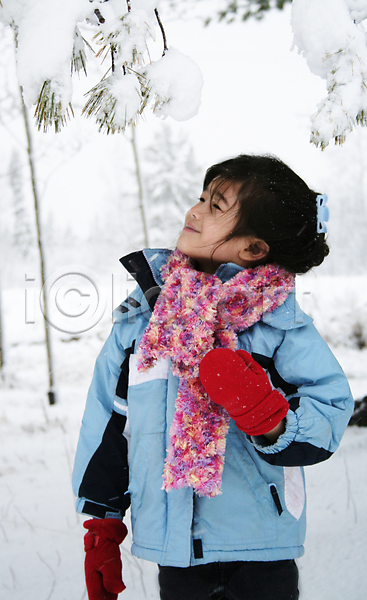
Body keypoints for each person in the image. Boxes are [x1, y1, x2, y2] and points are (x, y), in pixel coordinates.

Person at [72, 154, 354, 600]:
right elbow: (112, 420)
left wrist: (269, 417)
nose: (194, 211)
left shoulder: (279, 327)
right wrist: (101, 523)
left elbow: (331, 408)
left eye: (217, 205)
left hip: (262, 551)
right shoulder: (146, 321)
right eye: (201, 197)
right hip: (177, 556)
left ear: (253, 248)